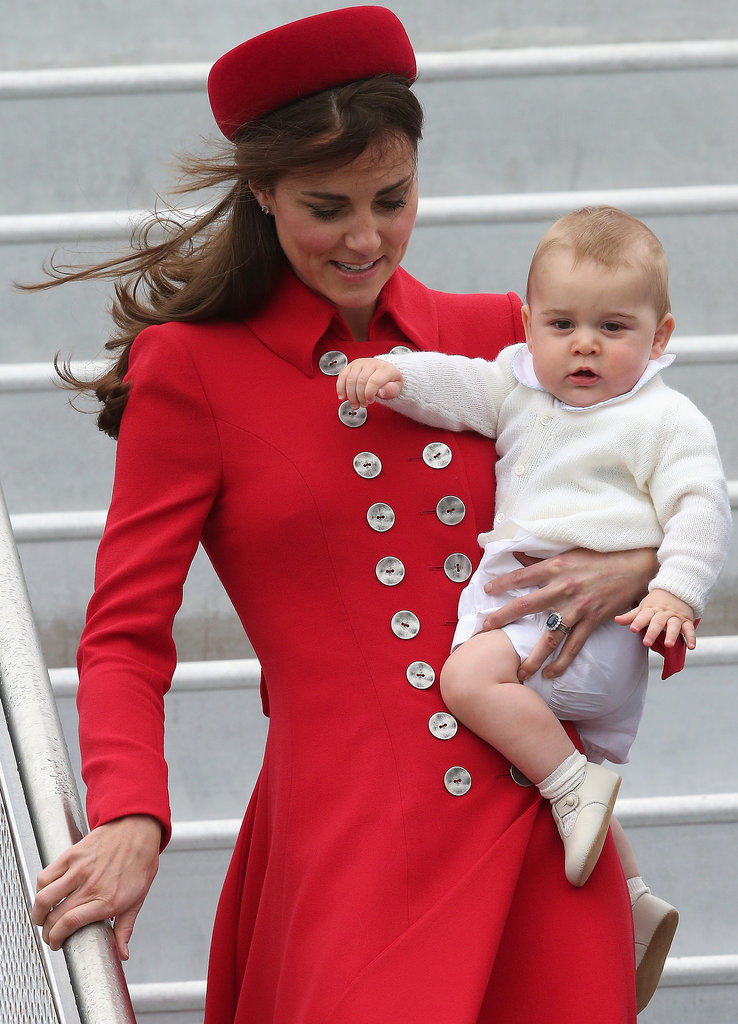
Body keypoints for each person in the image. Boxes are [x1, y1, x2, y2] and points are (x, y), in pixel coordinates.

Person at [27, 10, 665, 1023]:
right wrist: (134, 814)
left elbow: (640, 502)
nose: (367, 238)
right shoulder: (192, 368)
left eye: (393, 199)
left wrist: (636, 566)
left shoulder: (500, 333)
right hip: (348, 846)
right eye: (328, 207)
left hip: (535, 826)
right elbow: (122, 636)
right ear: (263, 190)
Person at [336, 204, 732, 1010]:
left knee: (468, 683)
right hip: (546, 626)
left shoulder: (662, 418)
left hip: (583, 634)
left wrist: (672, 588)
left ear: (659, 339)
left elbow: (702, 506)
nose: (583, 344)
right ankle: (633, 894)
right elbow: (464, 385)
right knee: (516, 721)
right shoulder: (523, 391)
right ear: (527, 326)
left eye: (613, 327)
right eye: (562, 324)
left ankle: (573, 791)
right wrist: (397, 376)